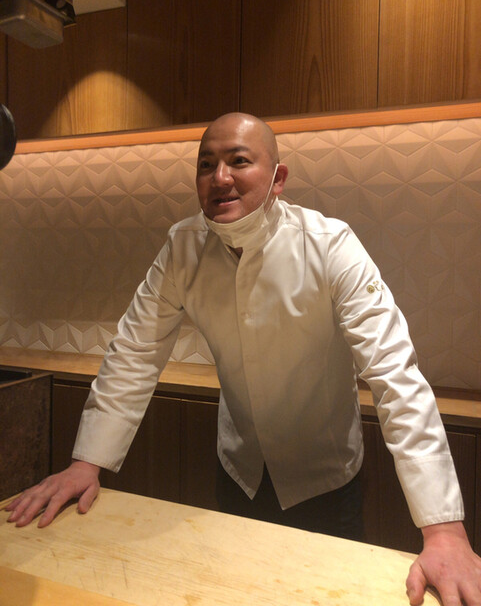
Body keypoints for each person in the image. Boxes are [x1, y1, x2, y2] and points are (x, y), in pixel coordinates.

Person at [5, 113, 481, 605]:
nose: (220, 177)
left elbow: (394, 374)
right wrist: (85, 464)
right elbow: (134, 353)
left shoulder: (330, 244)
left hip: (326, 475)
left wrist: (444, 530)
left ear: (278, 178)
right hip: (240, 469)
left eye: (238, 161)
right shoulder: (182, 247)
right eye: (206, 164)